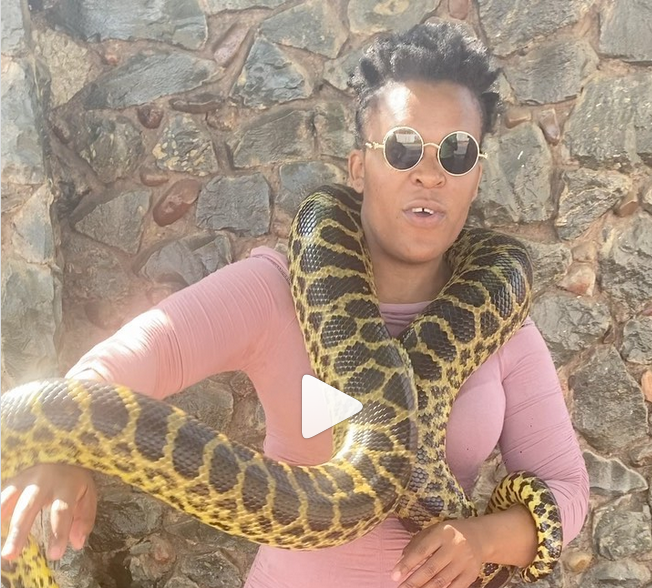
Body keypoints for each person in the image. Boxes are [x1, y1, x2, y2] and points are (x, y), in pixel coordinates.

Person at [1, 21, 589, 588]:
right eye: (403, 148)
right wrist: (66, 443)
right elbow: (130, 360)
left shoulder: (503, 321)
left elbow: (566, 489)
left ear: (476, 176)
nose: (430, 175)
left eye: (456, 154)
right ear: (359, 167)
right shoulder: (275, 289)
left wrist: (483, 540)